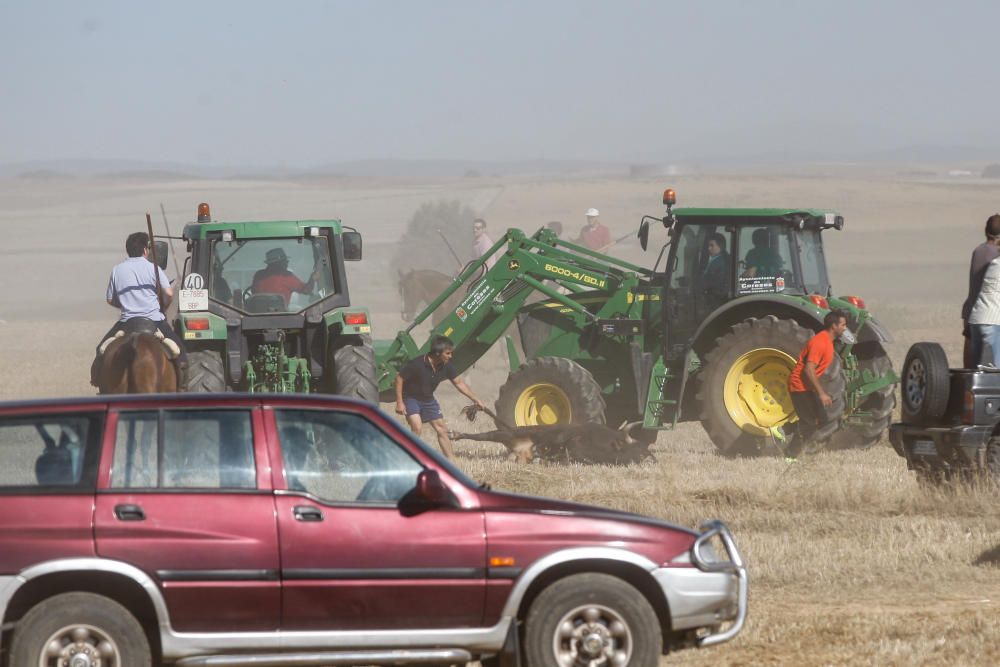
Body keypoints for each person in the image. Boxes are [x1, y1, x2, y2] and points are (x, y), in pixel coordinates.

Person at [91, 231, 186, 387]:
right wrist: (163, 307)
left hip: (127, 322)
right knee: (181, 354)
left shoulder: (117, 270)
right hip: (154, 322)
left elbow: (110, 299)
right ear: (145, 250)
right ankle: (182, 387)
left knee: (100, 351)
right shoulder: (153, 268)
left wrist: (124, 304)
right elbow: (168, 293)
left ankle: (97, 380)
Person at [394, 336, 485, 459]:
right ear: (437, 353)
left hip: (428, 399)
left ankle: (452, 460)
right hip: (411, 398)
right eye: (447, 353)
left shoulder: (446, 366)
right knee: (417, 427)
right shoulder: (416, 364)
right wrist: (400, 402)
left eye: (451, 353)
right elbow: (399, 379)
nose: (450, 356)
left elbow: (459, 383)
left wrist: (475, 399)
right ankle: (407, 457)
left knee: (442, 429)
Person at [786, 309, 849, 456]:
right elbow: (809, 369)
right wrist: (821, 393)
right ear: (833, 326)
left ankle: (783, 430)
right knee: (808, 424)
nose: (845, 328)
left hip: (807, 387)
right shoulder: (820, 342)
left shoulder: (828, 342)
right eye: (843, 325)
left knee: (823, 419)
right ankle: (790, 454)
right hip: (799, 386)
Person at [962, 214, 1000, 367]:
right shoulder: (995, 256)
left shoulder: (978, 251)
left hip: (974, 311)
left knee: (972, 366)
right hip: (991, 314)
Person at [251, 247, 316, 307]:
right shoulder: (287, 276)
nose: (287, 262)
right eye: (284, 261)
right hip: (280, 316)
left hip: (257, 314)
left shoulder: (258, 275)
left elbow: (253, 291)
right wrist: (313, 278)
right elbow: (307, 290)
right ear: (277, 263)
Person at [702, 233, 731, 305]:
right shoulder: (719, 259)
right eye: (708, 246)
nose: (709, 248)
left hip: (716, 299)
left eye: (712, 245)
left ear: (720, 246)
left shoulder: (720, 262)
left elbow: (714, 283)